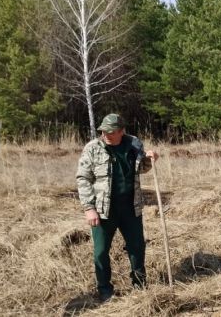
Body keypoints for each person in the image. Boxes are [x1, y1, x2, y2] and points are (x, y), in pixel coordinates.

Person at [76, 113, 158, 301]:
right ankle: (105, 290)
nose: (106, 134)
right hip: (104, 210)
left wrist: (150, 159)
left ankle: (140, 285)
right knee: (101, 251)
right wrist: (89, 208)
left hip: (131, 208)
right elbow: (83, 178)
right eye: (103, 131)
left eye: (111, 132)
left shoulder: (134, 144)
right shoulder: (93, 148)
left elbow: (141, 169)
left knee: (137, 248)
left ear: (122, 131)